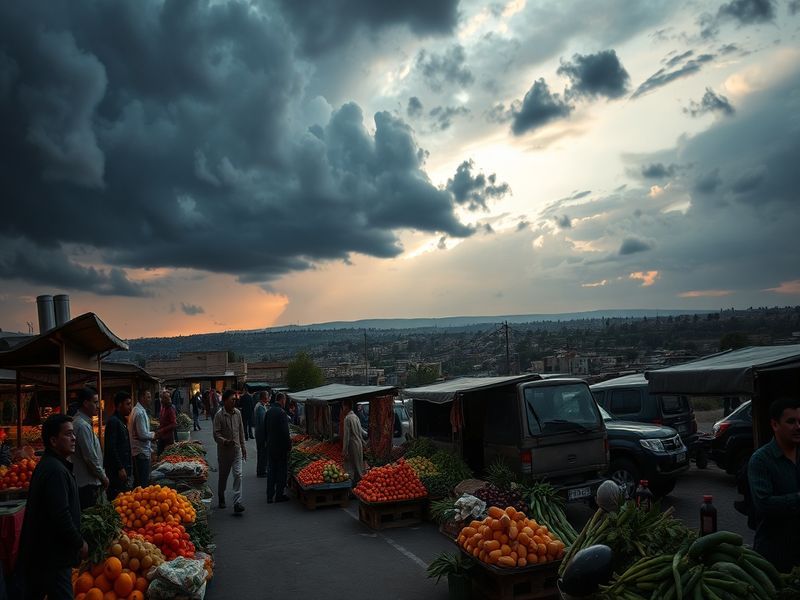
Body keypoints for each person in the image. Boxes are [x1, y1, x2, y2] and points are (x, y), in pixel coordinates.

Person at [17, 414, 87, 600]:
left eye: (73, 433)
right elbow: (60, 514)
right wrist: (79, 542)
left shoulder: (53, 465)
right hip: (53, 557)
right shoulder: (55, 470)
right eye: (68, 434)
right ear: (54, 441)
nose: (74, 438)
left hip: (46, 554)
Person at [748, 397, 800, 572]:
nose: (798, 427)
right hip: (774, 556)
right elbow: (764, 504)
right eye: (791, 422)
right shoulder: (761, 460)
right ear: (775, 425)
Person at [72, 387, 108, 510]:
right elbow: (90, 458)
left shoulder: (82, 423)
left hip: (86, 482)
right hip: (87, 484)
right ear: (86, 403)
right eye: (95, 402)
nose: (98, 406)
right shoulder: (82, 426)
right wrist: (103, 477)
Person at [213, 389, 246, 513]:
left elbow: (241, 432)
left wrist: (243, 447)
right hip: (224, 452)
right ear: (225, 401)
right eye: (232, 400)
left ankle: (237, 502)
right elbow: (216, 434)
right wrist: (225, 441)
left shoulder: (238, 413)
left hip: (237, 450)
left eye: (235, 400)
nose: (234, 402)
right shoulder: (219, 415)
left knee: (238, 474)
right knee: (223, 476)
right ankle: (221, 496)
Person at [103, 390, 133, 501]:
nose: (130, 407)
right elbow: (111, 447)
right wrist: (120, 467)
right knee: (117, 500)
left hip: (123, 469)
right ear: (120, 405)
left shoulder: (122, 421)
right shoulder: (114, 422)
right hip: (116, 472)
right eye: (128, 404)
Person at [264, 392, 291, 503]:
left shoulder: (269, 411)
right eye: (285, 400)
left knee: (271, 471)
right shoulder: (281, 412)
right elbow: (285, 432)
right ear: (282, 400)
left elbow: (265, 428)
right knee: (281, 471)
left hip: (271, 446)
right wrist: (289, 445)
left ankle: (269, 496)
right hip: (280, 448)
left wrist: (267, 442)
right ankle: (279, 495)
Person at [129, 390, 156, 488]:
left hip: (141, 450)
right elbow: (142, 434)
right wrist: (154, 435)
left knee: (140, 480)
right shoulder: (139, 412)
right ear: (142, 398)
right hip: (140, 452)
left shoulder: (138, 410)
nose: (150, 399)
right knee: (142, 482)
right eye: (148, 397)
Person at [342, 398, 366, 485]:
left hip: (352, 444)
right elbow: (361, 431)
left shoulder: (347, 418)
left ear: (346, 406)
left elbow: (346, 436)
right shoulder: (356, 417)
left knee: (354, 467)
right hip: (359, 443)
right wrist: (367, 434)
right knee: (359, 465)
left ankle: (360, 485)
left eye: (343, 406)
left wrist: (344, 450)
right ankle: (359, 484)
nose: (343, 408)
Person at [253, 390, 270, 478]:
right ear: (264, 398)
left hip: (259, 433)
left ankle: (261, 470)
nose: (269, 398)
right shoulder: (260, 408)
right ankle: (261, 471)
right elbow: (263, 423)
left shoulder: (260, 405)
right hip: (261, 434)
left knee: (261, 453)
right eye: (267, 397)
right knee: (262, 453)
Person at [157, 390, 177, 455]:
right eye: (163, 398)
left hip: (168, 438)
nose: (163, 400)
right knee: (160, 454)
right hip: (161, 436)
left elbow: (174, 424)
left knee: (167, 455)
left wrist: (163, 429)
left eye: (167, 398)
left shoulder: (170, 409)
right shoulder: (163, 408)